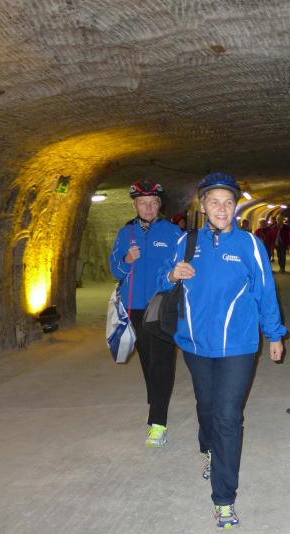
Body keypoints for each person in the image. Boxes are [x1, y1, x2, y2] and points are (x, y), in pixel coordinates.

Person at [160, 172, 287, 530]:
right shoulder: (186, 241)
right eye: (214, 202)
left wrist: (274, 335)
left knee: (228, 416)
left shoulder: (249, 244)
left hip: (238, 345)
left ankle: (223, 498)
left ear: (235, 208)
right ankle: (209, 449)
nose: (222, 208)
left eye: (228, 203)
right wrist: (172, 275)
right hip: (196, 343)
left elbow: (265, 291)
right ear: (203, 206)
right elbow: (160, 281)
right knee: (206, 406)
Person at [109, 180, 183, 447]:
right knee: (147, 361)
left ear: (159, 205)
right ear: (135, 205)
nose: (148, 208)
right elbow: (115, 270)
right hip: (135, 308)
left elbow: (185, 266)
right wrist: (126, 261)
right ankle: (157, 401)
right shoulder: (125, 233)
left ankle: (157, 422)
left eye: (153, 203)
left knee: (162, 362)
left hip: (163, 307)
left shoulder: (173, 232)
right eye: (143, 203)